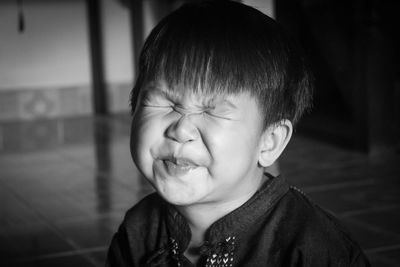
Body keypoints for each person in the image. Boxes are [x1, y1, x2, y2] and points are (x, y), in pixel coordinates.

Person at [106, 1, 370, 266]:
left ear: (269, 142)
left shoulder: (313, 249)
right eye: (167, 103)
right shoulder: (137, 230)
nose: (181, 130)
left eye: (212, 110)